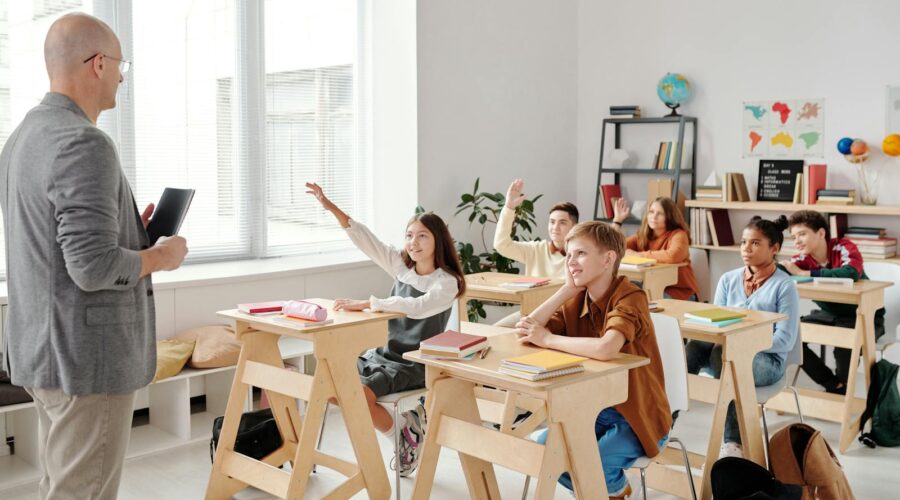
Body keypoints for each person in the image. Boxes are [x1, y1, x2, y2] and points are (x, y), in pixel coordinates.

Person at [0, 13, 188, 499]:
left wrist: (132, 233)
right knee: (83, 492)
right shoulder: (84, 142)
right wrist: (161, 256)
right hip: (86, 361)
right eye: (121, 65)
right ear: (98, 64)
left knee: (61, 483)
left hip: (42, 352)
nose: (123, 77)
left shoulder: (23, 138)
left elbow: (53, 244)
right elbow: (93, 267)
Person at [306, 182, 464, 477]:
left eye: (422, 236)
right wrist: (330, 207)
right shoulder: (403, 268)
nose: (413, 242)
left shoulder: (446, 282)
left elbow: (417, 307)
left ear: (438, 240)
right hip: (382, 355)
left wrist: (369, 303)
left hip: (413, 363)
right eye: (409, 236)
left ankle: (401, 437)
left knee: (359, 396)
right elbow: (366, 240)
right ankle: (405, 429)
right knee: (327, 384)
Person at [515, 221, 671, 498]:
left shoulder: (631, 296)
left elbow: (607, 348)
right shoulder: (577, 299)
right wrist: (566, 290)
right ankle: (613, 490)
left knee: (593, 466)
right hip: (592, 409)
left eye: (580, 254)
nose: (570, 261)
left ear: (608, 259)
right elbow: (527, 331)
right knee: (544, 454)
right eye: (569, 254)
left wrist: (548, 340)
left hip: (637, 414)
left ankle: (614, 490)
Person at [685, 216, 799, 458]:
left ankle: (733, 442)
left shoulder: (784, 286)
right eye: (743, 242)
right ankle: (661, 423)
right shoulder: (728, 279)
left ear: (774, 248)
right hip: (728, 353)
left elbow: (785, 341)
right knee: (694, 347)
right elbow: (715, 325)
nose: (746, 249)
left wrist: (743, 346)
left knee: (726, 356)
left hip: (768, 361)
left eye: (756, 243)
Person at [781, 210, 886, 394]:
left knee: (845, 346)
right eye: (794, 237)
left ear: (821, 233)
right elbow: (782, 272)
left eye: (802, 234)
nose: (796, 241)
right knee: (789, 336)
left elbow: (851, 273)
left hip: (865, 316)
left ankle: (842, 392)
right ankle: (834, 385)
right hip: (830, 315)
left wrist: (807, 274)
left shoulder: (844, 247)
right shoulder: (801, 260)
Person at [493, 178, 579, 326]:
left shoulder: (582, 254)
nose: (555, 228)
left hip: (565, 315)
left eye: (562, 223)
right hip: (531, 312)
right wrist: (509, 208)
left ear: (575, 226)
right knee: (496, 330)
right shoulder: (536, 249)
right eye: (552, 222)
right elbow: (501, 245)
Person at [612, 196, 700, 300]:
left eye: (660, 213)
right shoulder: (643, 236)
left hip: (680, 293)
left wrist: (637, 255)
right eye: (651, 212)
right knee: (621, 295)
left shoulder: (679, 235)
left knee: (640, 299)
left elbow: (673, 256)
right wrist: (617, 220)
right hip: (651, 287)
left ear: (669, 217)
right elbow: (613, 245)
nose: (654, 216)